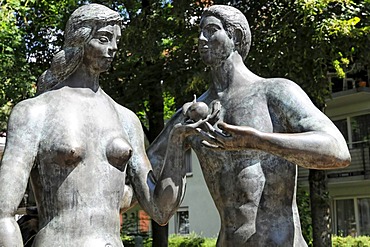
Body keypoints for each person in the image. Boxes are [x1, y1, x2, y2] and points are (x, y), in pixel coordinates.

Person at [147, 5, 351, 246]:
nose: (202, 39)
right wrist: (175, 140)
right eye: (200, 31)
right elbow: (145, 178)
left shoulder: (274, 92)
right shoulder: (191, 115)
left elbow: (337, 151)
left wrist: (259, 141)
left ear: (236, 37)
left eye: (212, 30)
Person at [0, 4, 188, 246]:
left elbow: (160, 210)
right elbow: (4, 213)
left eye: (116, 40)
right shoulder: (35, 112)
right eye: (103, 38)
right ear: (80, 39)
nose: (113, 48)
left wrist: (178, 142)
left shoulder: (126, 119)